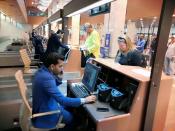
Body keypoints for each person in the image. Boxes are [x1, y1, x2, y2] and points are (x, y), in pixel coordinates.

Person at [32, 52, 96, 130]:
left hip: (47, 104)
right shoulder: (47, 78)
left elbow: (51, 85)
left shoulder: (42, 71)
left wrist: (60, 76)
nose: (62, 69)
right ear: (52, 66)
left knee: (71, 107)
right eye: (60, 66)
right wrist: (85, 99)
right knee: (74, 119)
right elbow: (62, 100)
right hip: (48, 112)